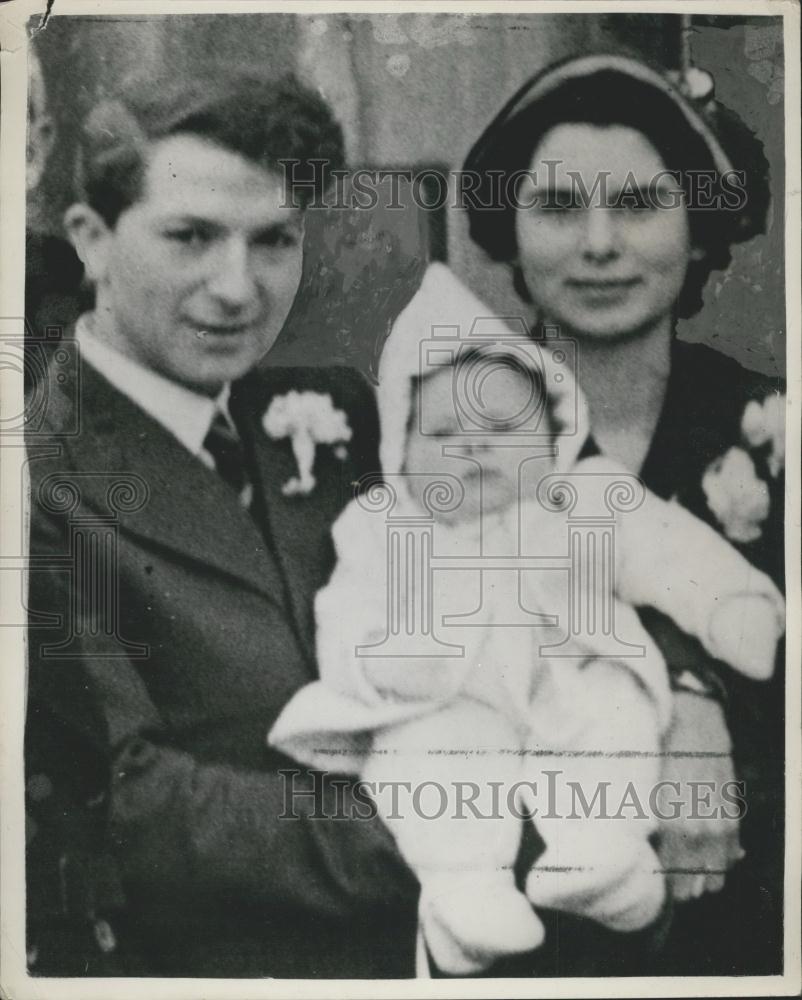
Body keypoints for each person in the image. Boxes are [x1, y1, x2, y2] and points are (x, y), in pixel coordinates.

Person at [268, 263, 784, 974]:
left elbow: (671, 552)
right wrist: (379, 658)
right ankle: (463, 899)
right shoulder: (385, 525)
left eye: (502, 426)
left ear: (555, 440)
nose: (473, 446)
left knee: (616, 718)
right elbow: (346, 609)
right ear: (400, 454)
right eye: (443, 430)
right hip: (446, 694)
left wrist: (731, 606)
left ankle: (606, 862)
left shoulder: (587, 498)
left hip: (574, 675)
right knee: (429, 765)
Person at [24, 72, 419, 978]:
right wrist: (451, 831)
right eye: (191, 237)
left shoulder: (335, 412)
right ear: (90, 240)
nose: (238, 288)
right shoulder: (37, 483)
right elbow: (134, 803)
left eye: (274, 240)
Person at [461, 53, 786, 975]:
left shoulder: (772, 430)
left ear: (697, 231)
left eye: (639, 206)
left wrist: (716, 709)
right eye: (558, 209)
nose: (598, 244)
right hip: (519, 937)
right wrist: (679, 687)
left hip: (751, 937)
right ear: (509, 231)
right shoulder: (444, 428)